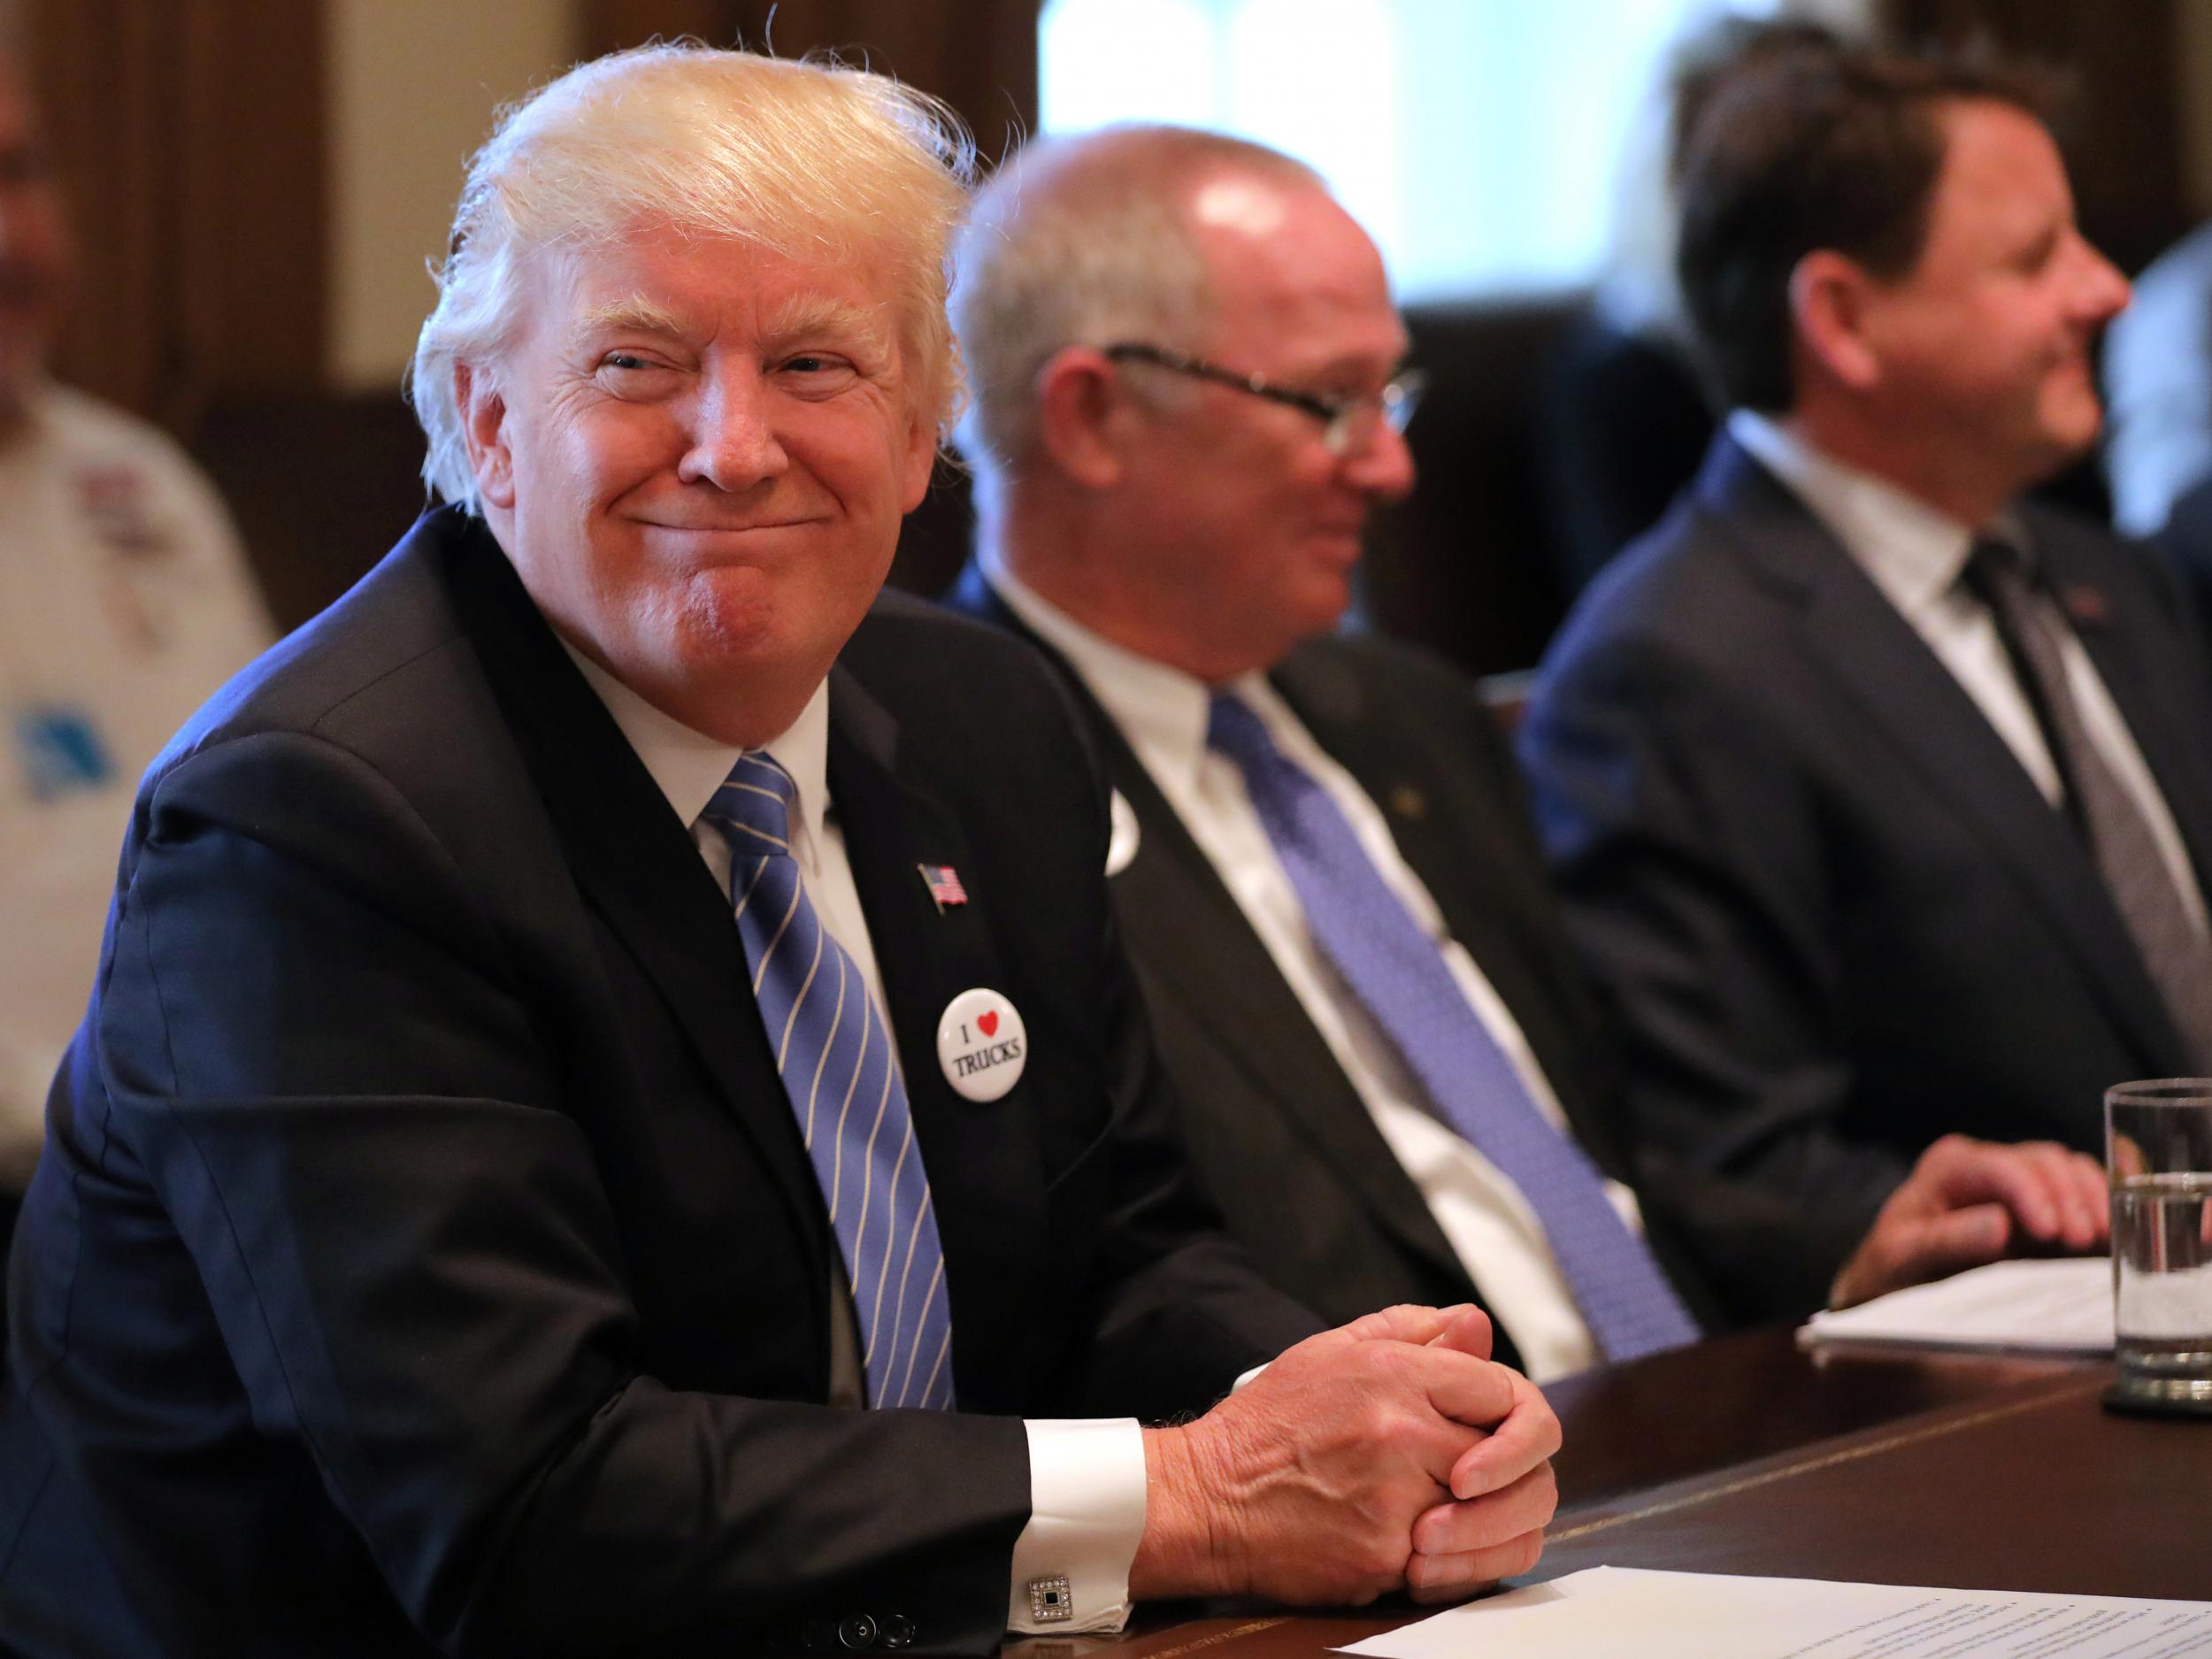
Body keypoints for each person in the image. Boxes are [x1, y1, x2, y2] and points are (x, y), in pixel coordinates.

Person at [0, 46, 1563, 1656]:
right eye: (636, 364)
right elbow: (527, 1512)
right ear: (485, 418)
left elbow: (1123, 1256)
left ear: (921, 432)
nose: (733, 446)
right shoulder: (313, 822)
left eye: (815, 366)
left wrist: (1357, 1422)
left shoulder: (986, 721)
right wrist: (1203, 1495)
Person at [940, 124, 2106, 1353]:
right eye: (1331, 404)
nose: (1391, 469)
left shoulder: (1406, 717)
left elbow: (1593, 1154)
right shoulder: (965, 801)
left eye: (1392, 397)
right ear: (1092, 417)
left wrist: (1850, 1240)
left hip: (1702, 1431)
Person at [1520, 39, 2185, 1280]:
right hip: (2010, 1386)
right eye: (2037, 258)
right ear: (1843, 318)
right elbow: (1739, 1169)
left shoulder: (2112, 579)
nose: (2109, 291)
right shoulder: (1670, 666)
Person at [0, 54, 271, 1210]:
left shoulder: (137, 483)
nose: (13, 238)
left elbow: (287, 833)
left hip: (223, 1161)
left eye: (19, 173)